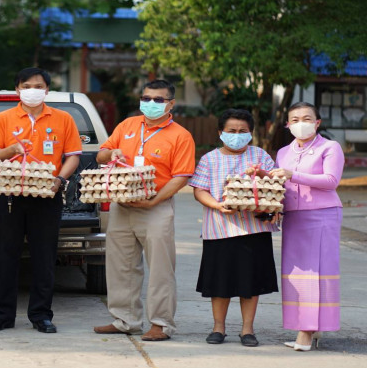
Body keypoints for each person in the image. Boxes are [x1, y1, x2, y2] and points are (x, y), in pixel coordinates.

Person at [0, 67, 82, 334]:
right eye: (26, 85)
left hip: (47, 195)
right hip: (9, 196)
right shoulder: (3, 118)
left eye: (38, 86)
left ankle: (41, 315)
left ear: (47, 90)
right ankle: (2, 316)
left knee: (45, 256)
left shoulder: (63, 118)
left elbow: (73, 155)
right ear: (17, 89)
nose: (32, 90)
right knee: (6, 256)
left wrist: (59, 179)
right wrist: (12, 149)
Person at [93, 79, 195, 341]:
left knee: (161, 268)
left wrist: (154, 201)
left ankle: (161, 324)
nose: (151, 104)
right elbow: (101, 155)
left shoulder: (181, 135)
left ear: (171, 104)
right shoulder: (127, 125)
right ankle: (125, 319)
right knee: (121, 265)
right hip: (122, 205)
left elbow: (180, 176)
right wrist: (111, 152)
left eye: (158, 100)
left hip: (156, 207)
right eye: (146, 98)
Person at [188, 109, 279, 347]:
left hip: (254, 229)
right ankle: (218, 328)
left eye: (242, 131)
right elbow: (199, 190)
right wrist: (217, 206)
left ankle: (247, 330)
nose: (237, 135)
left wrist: (262, 174)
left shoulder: (260, 156)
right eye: (231, 131)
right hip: (219, 229)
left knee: (250, 283)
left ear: (251, 133)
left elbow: (276, 185)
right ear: (220, 133)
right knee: (220, 283)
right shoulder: (209, 158)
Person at [272, 102, 344, 351]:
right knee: (296, 275)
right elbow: (281, 185)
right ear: (288, 124)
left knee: (317, 274)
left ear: (317, 122)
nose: (300, 123)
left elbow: (331, 181)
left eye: (306, 118)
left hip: (322, 215)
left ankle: (306, 332)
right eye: (294, 119)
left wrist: (292, 174)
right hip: (293, 217)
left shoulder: (330, 147)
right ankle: (307, 326)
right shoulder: (283, 152)